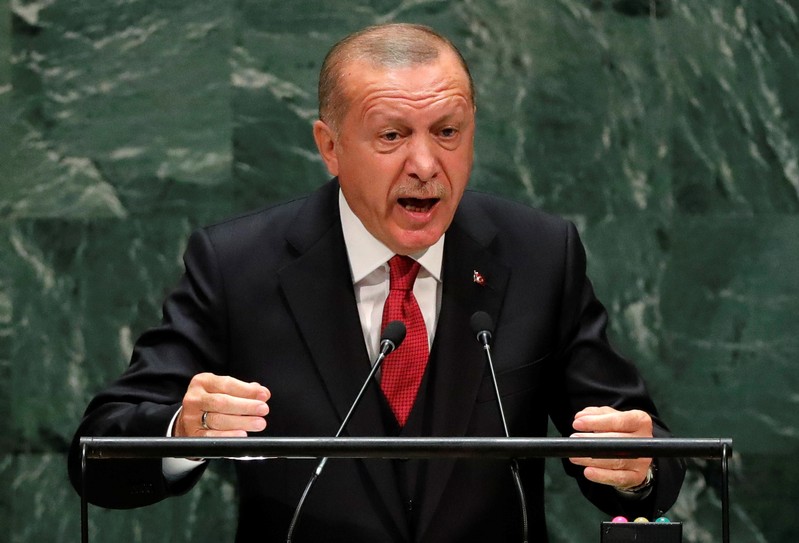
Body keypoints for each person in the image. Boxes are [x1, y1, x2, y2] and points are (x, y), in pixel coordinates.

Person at [68, 23, 685, 542]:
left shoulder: (540, 255)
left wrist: (634, 465)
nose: (424, 165)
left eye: (448, 132)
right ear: (330, 146)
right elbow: (97, 456)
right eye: (391, 136)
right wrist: (184, 430)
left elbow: (646, 449)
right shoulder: (236, 264)